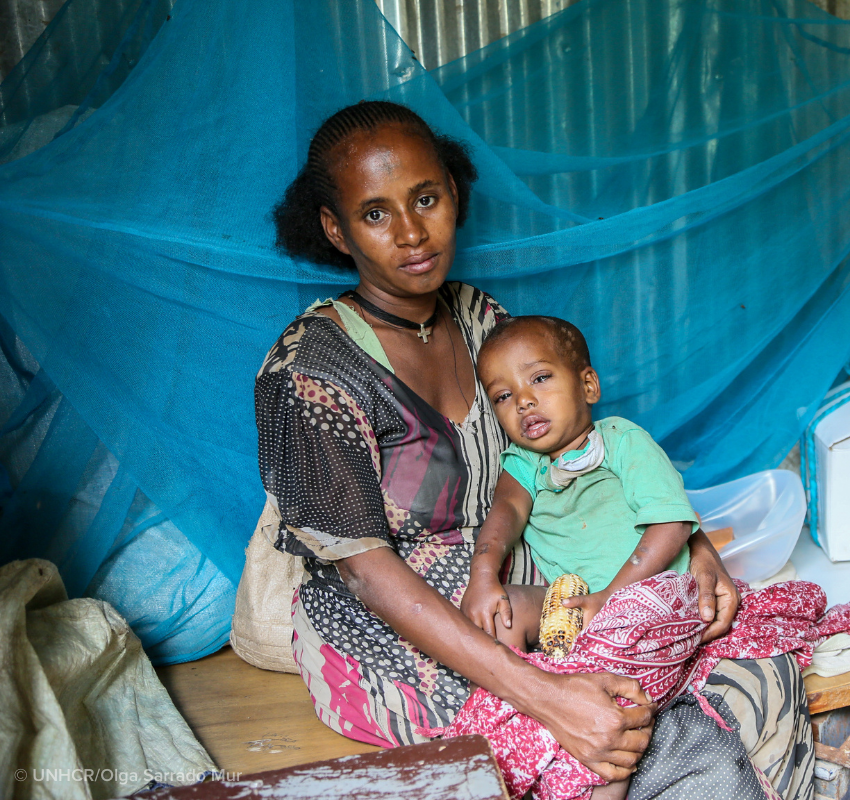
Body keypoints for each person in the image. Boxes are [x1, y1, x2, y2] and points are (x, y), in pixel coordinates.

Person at [259, 99, 814, 799]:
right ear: (336, 229)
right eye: (375, 214)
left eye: (425, 199)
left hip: (541, 585)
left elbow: (587, 450)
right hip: (396, 628)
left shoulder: (483, 321)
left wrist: (694, 551)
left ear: (453, 194)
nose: (410, 232)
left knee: (742, 664)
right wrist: (546, 696)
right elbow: (368, 575)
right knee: (615, 731)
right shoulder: (313, 371)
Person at [462, 315, 696, 650]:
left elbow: (672, 524)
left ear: (587, 386)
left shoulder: (620, 440)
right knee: (501, 613)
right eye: (503, 396)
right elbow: (507, 509)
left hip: (654, 591)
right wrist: (483, 575)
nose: (523, 401)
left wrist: (611, 597)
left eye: (540, 378)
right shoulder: (524, 463)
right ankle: (504, 698)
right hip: (573, 606)